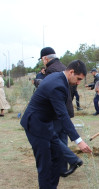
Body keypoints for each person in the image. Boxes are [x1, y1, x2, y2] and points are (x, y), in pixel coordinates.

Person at [20, 60, 92, 189]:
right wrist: (78, 140)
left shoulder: (61, 79)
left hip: (46, 123)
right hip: (35, 124)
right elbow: (62, 114)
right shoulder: (57, 84)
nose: (79, 83)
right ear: (71, 72)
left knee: (55, 156)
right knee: (45, 162)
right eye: (78, 79)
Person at [35, 47, 78, 176]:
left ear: (45, 58)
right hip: (65, 108)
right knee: (62, 138)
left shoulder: (51, 70)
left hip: (56, 111)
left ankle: (70, 160)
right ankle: (62, 167)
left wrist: (38, 83)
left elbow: (48, 90)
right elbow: (72, 88)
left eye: (42, 60)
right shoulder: (64, 67)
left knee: (53, 138)